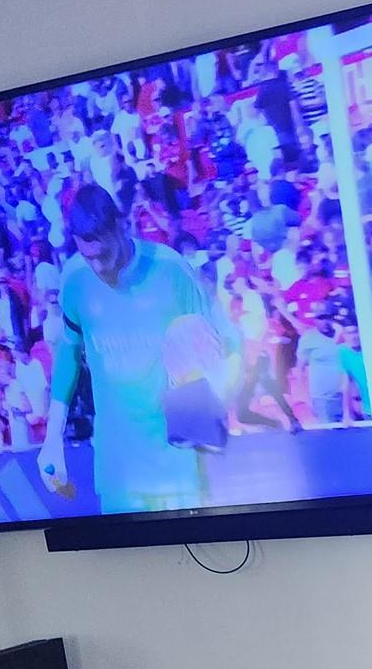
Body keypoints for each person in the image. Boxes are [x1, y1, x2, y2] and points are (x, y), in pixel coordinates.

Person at [38, 184, 242, 512]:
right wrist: (52, 437)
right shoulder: (75, 279)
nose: (99, 267)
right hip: (118, 465)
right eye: (89, 258)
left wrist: (213, 408)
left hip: (177, 461)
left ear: (121, 226)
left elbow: (215, 344)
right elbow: (70, 349)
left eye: (104, 254)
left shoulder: (170, 269)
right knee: (129, 562)